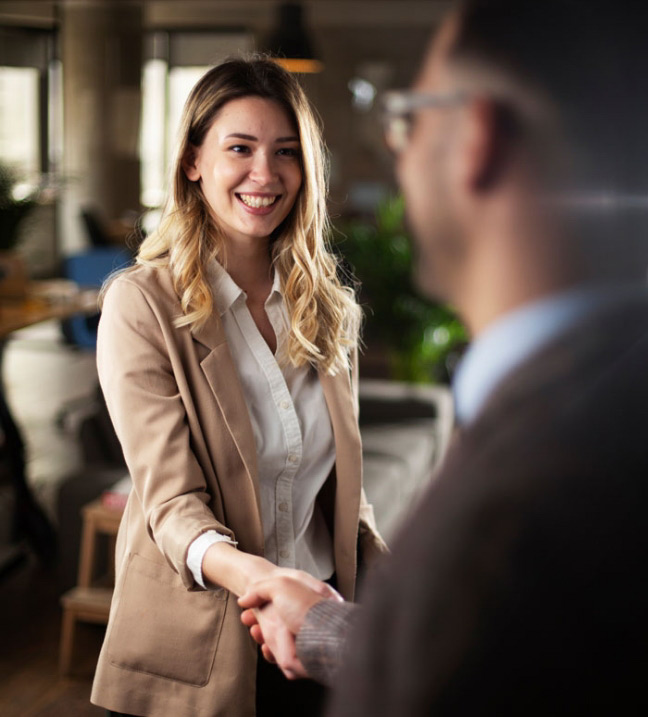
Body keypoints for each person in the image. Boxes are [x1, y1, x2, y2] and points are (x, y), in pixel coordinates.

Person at [238, 1, 648, 713]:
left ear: (475, 141)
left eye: (411, 120)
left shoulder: (518, 514)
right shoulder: (605, 402)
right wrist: (325, 625)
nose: (400, 152)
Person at [90, 56, 386, 717]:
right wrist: (268, 580)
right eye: (240, 148)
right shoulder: (141, 306)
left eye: (285, 152)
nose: (265, 174)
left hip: (315, 637)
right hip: (199, 647)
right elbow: (172, 505)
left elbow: (344, 495)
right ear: (193, 161)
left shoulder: (329, 310)